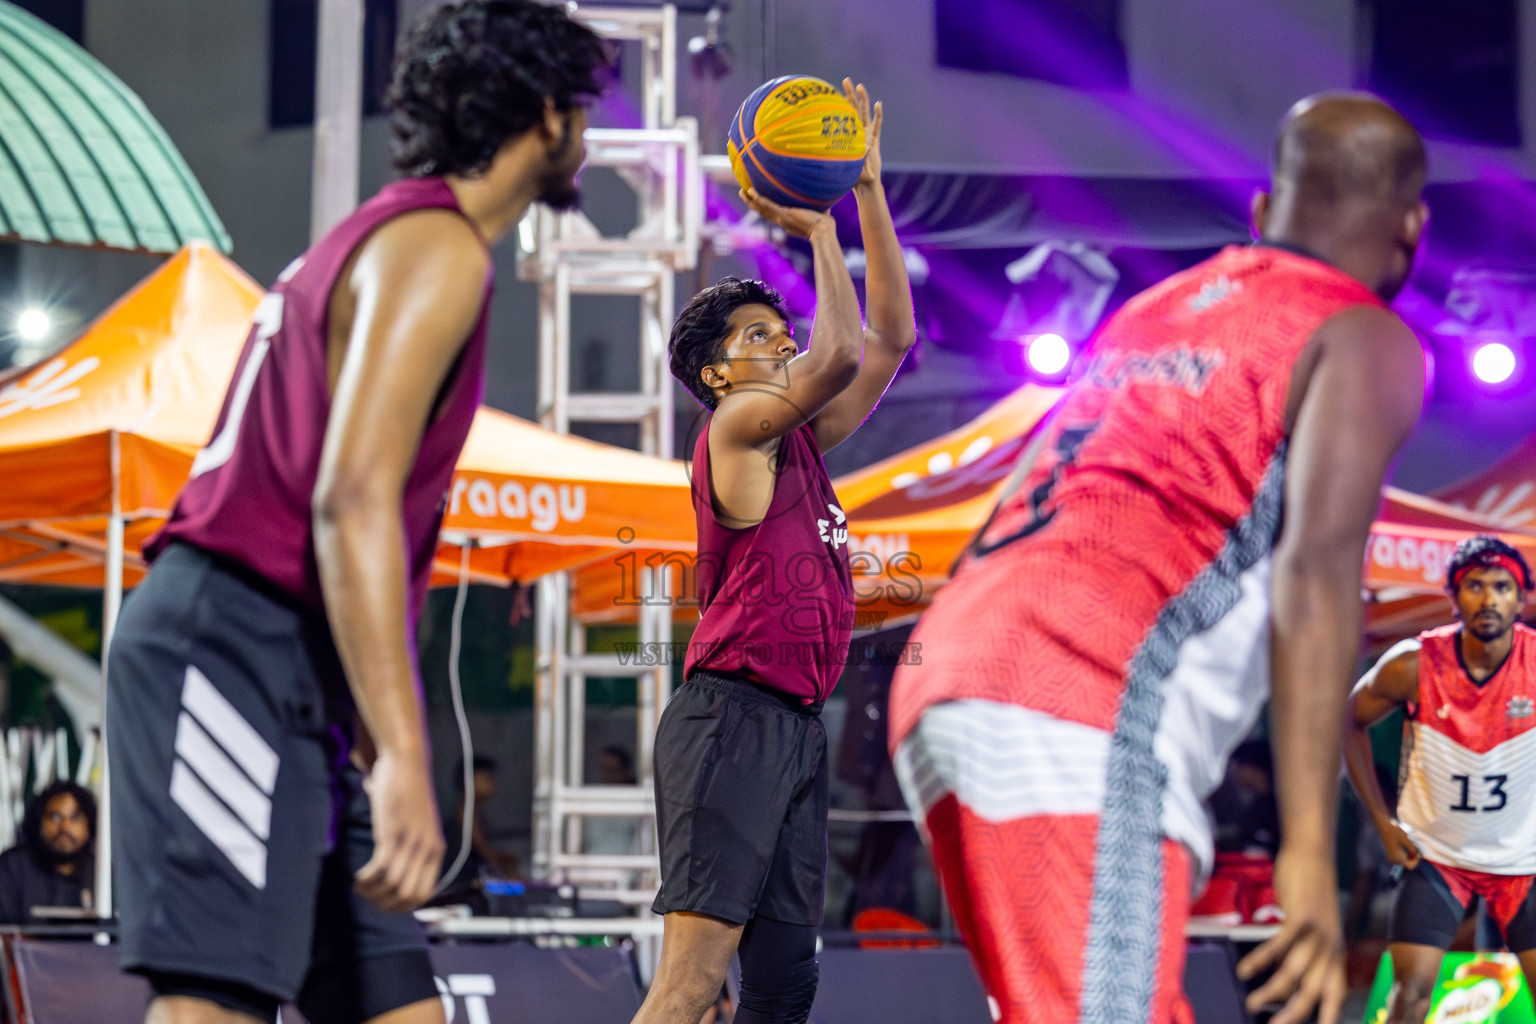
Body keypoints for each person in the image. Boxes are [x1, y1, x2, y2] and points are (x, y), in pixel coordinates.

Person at [104, 4, 611, 1023]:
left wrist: (377, 747)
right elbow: (349, 500)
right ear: (547, 114)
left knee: (395, 1004)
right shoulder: (435, 246)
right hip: (230, 643)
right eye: (586, 111)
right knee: (216, 1000)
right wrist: (411, 756)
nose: (591, 136)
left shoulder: (391, 235)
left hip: (303, 676)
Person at [888, 91, 1429, 1024]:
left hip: (954, 671)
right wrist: (1307, 847)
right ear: (1411, 232)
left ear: (1263, 213)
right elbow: (1318, 574)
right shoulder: (1358, 332)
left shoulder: (1154, 311)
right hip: (1081, 699)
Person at [634, 80, 916, 1024]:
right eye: (758, 337)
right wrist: (820, 227)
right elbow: (838, 353)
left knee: (786, 988)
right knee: (690, 986)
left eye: (777, 329)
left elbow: (887, 342)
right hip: (731, 721)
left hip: (794, 728)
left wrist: (866, 190)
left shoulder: (794, 438)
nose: (780, 340)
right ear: (717, 372)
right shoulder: (736, 426)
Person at [1344, 535, 1536, 1023]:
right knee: (1409, 996)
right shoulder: (1414, 663)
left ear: (1522, 598)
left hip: (1521, 858)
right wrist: (1382, 822)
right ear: (1453, 596)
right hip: (1437, 856)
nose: (1488, 598)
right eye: (1474, 585)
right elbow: (1347, 723)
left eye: (1502, 586)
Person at [0, 780, 96, 924]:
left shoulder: (101, 872)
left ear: (89, 825)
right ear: (39, 822)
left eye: (75, 817)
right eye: (55, 817)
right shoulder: (13, 866)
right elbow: (7, 936)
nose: (64, 826)